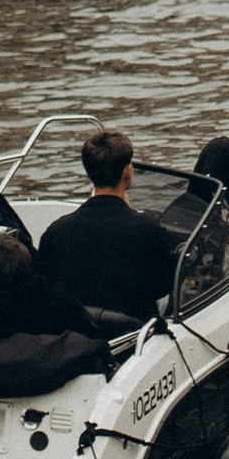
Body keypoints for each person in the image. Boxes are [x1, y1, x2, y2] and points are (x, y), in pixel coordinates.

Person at [36, 127, 176, 319]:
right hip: (135, 337)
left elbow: (48, 287)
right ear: (127, 172)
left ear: (88, 172)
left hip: (76, 335)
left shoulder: (56, 233)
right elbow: (165, 287)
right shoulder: (149, 231)